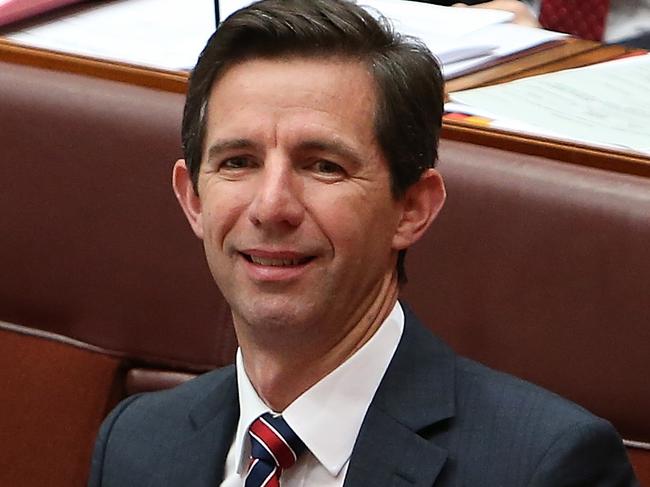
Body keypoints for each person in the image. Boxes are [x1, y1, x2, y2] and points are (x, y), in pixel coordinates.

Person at [88, 0, 639, 485]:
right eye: (238, 163)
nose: (271, 206)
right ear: (194, 200)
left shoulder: (544, 468)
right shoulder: (135, 445)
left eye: (323, 166)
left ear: (412, 208)